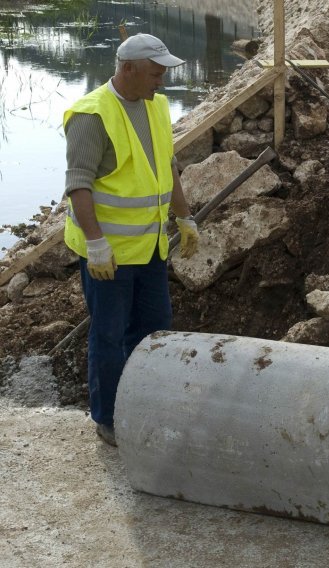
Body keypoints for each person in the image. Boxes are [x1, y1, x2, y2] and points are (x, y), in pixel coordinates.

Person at [63, 33, 199, 446]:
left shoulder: (155, 106)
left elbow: (167, 165)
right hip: (110, 255)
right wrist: (96, 245)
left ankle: (144, 404)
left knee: (154, 329)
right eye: (156, 74)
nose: (162, 81)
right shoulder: (92, 115)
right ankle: (108, 419)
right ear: (128, 69)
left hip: (151, 247)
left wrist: (184, 216)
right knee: (108, 333)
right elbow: (79, 185)